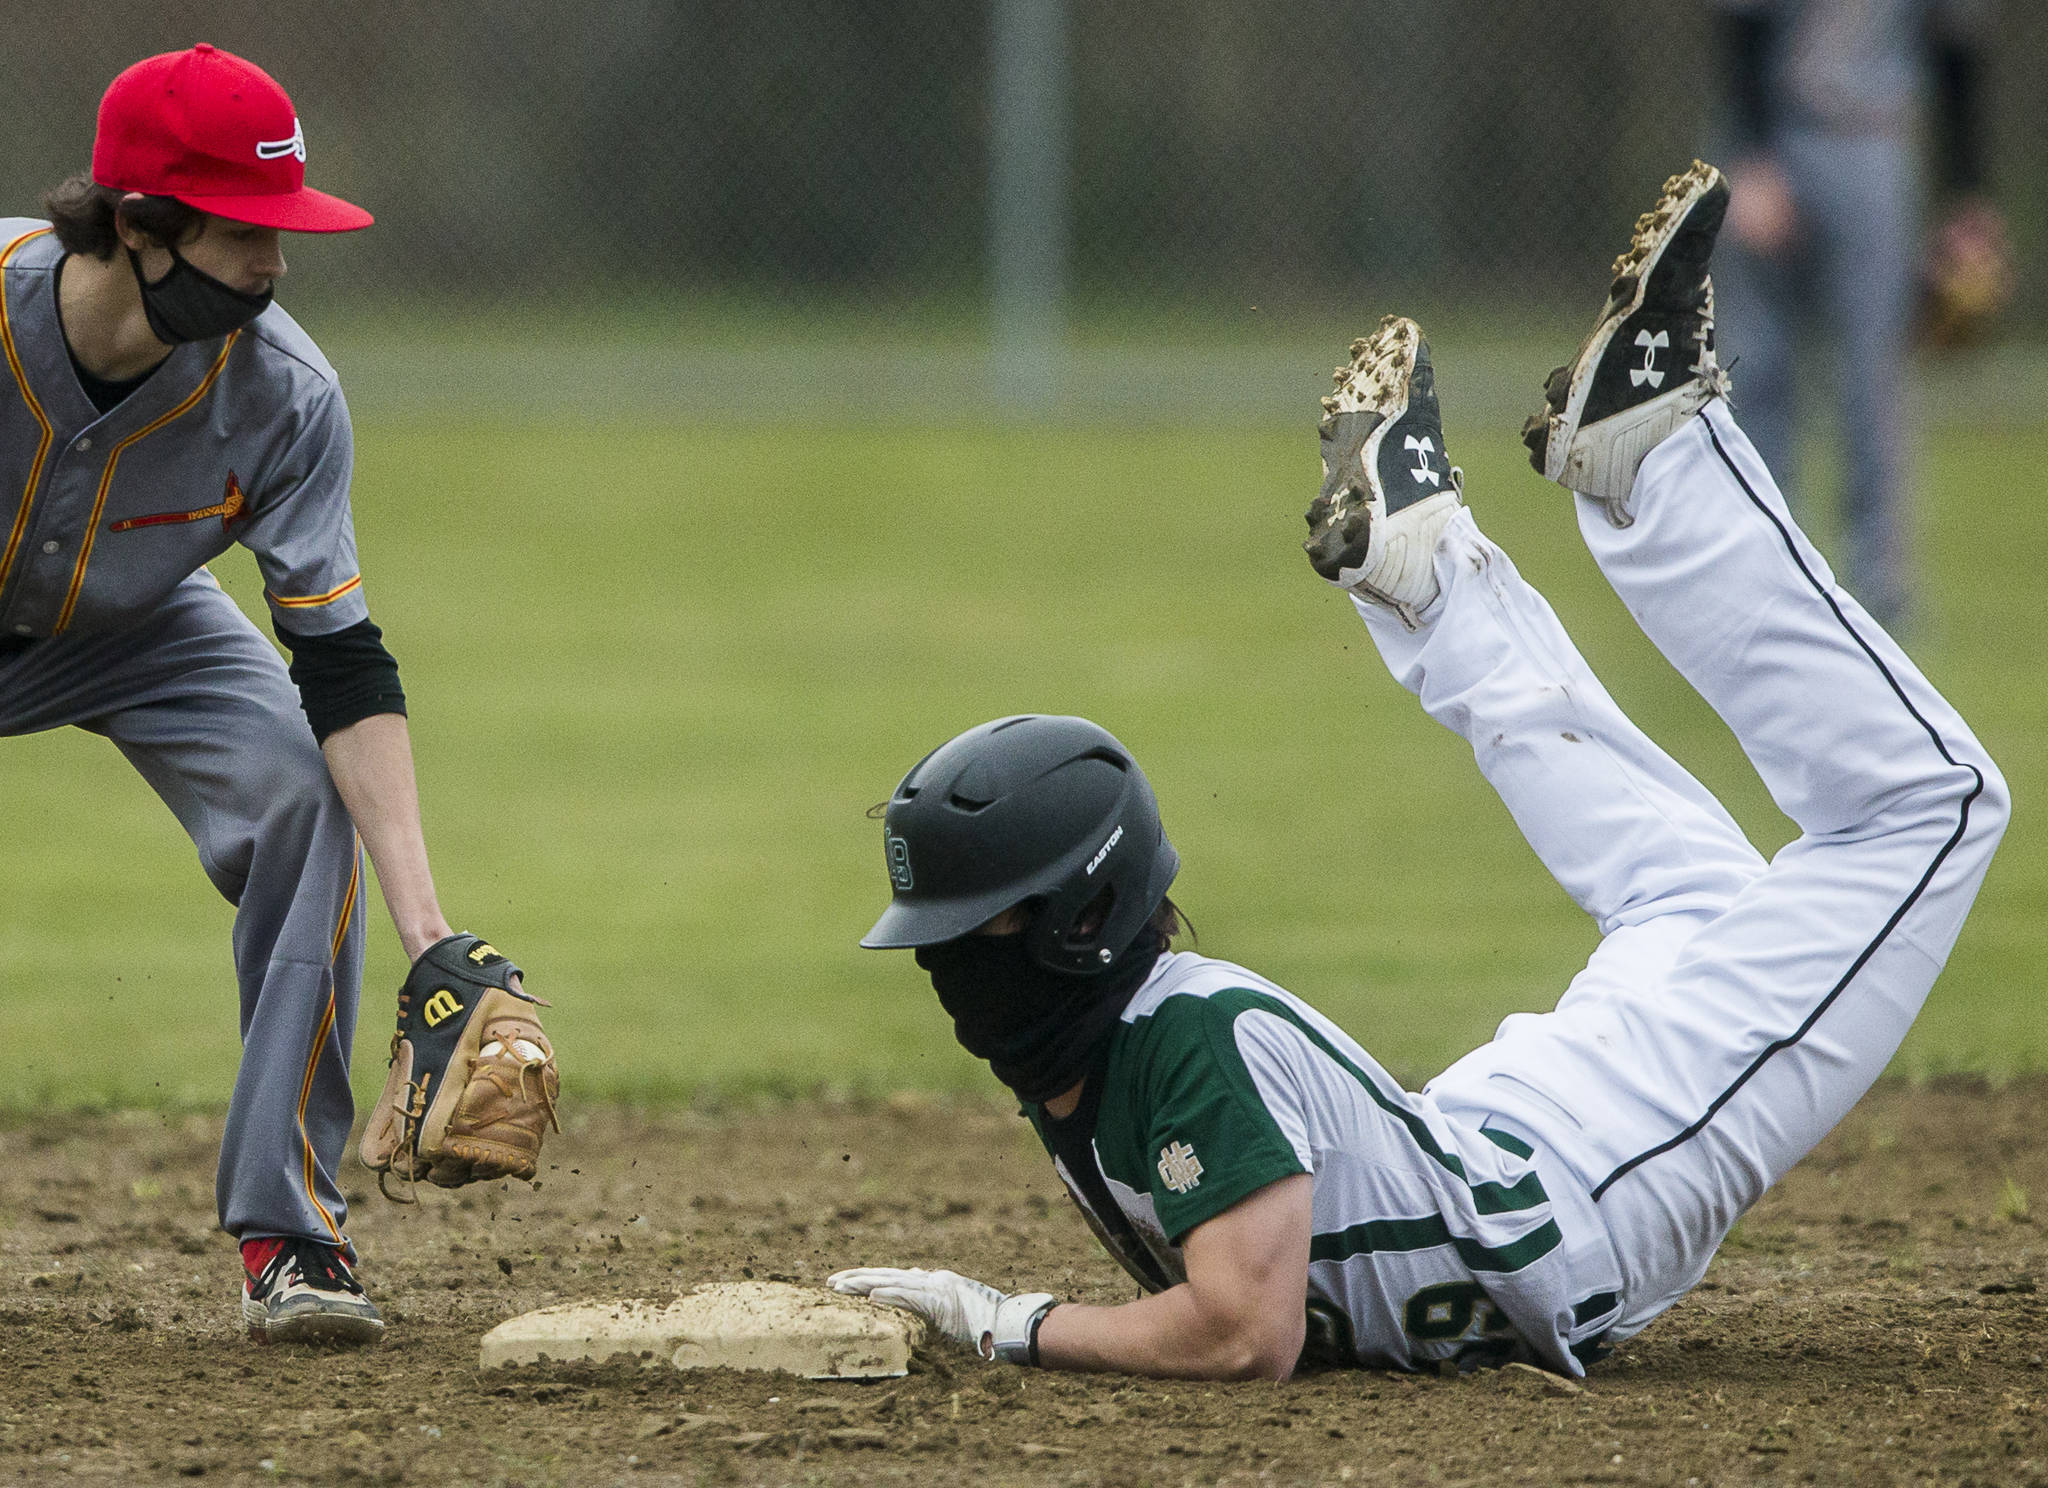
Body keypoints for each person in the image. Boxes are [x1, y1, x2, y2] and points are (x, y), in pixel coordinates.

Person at [829, 163, 2007, 1379]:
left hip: (1553, 1168)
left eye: (977, 925)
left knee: (1816, 847)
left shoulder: (1157, 1050)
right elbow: (1254, 1320)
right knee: (1808, 855)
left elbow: (1244, 1333)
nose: (947, 964)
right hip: (1546, 1172)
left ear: (1079, 920)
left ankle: (1571, 506)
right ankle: (1515, 536)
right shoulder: (1102, 1053)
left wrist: (1001, 1323)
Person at [1, 45, 549, 1345]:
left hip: (129, 625)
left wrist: (431, 935)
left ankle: (291, 1234)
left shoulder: (284, 393)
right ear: (137, 224)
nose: (276, 263)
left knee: (308, 796)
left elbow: (343, 666)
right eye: (249, 232)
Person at [1709, 0, 2007, 630]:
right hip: (1778, 138)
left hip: (1876, 143)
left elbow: (1956, 48)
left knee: (1875, 375)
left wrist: (1967, 194)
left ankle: (1880, 583)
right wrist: (1754, 160)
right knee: (1757, 368)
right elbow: (1738, 27)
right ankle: (1765, 578)